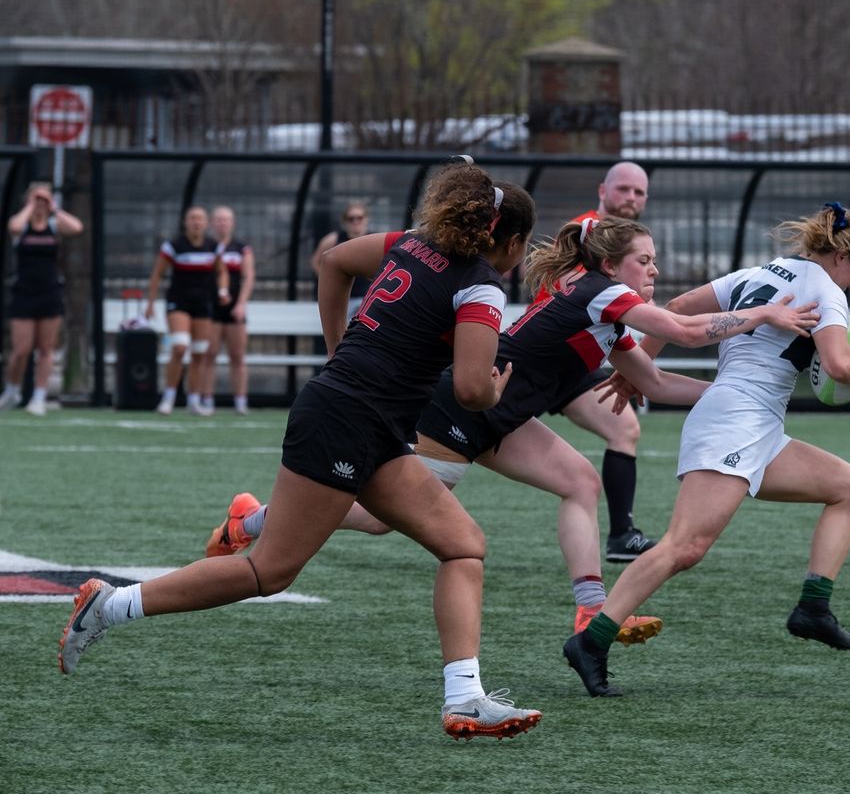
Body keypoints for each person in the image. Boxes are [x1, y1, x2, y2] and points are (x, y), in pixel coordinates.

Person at [59, 160, 545, 740]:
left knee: (463, 545)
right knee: (270, 572)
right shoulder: (481, 285)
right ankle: (109, 604)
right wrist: (493, 388)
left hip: (366, 424)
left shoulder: (410, 244)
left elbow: (333, 262)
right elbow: (469, 390)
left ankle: (465, 698)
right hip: (346, 421)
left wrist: (339, 347)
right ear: (508, 241)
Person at [209, 217, 817, 648]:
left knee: (580, 479)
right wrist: (764, 313)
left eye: (654, 260)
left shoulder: (613, 316)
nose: (655, 269)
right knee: (376, 516)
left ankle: (590, 612)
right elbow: (685, 332)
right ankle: (252, 521)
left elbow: (656, 384)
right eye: (645, 259)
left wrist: (729, 398)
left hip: (502, 417)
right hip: (464, 407)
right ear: (611, 266)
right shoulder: (601, 294)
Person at [563, 202, 850, 697]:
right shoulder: (826, 289)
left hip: (755, 424)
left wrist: (636, 372)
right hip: (736, 421)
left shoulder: (758, 272)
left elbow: (674, 310)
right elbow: (842, 366)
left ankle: (813, 608)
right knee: (685, 546)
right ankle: (592, 640)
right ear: (843, 256)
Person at [533, 162, 655, 563]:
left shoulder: (630, 247)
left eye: (639, 193)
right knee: (425, 490)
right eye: (624, 189)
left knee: (624, 428)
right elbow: (560, 290)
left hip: (576, 363)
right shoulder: (584, 234)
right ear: (603, 190)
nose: (630, 199)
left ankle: (622, 535)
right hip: (539, 361)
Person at [0, 182, 84, 415]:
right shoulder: (23, 226)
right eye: (36, 199)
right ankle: (12, 390)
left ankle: (39, 396)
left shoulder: (55, 226)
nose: (40, 203)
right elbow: (14, 226)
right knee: (21, 350)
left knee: (46, 348)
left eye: (44, 199)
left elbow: (77, 227)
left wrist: (54, 208)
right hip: (24, 293)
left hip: (49, 293)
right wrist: (29, 205)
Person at [146, 205, 229, 416]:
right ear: (186, 222)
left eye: (200, 219)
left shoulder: (213, 246)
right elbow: (157, 274)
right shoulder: (174, 246)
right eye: (192, 218)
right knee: (180, 348)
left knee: (200, 352)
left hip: (203, 304)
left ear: (206, 223)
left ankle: (194, 400)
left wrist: (223, 290)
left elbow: (222, 272)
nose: (196, 222)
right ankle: (169, 397)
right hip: (178, 303)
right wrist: (150, 303)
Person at [199, 206, 255, 415]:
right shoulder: (206, 246)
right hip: (210, 308)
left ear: (232, 223)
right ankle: (207, 399)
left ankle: (240, 401)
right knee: (209, 354)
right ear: (212, 223)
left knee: (237, 356)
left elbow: (248, 277)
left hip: (234, 308)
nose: (223, 223)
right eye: (219, 220)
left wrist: (241, 303)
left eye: (226, 220)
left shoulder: (241, 248)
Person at [311, 201, 373, 316]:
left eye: (359, 217)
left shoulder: (374, 240)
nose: (356, 222)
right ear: (345, 221)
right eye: (351, 218)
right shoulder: (333, 240)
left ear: (366, 219)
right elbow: (316, 261)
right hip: (341, 297)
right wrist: (329, 280)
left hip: (366, 297)